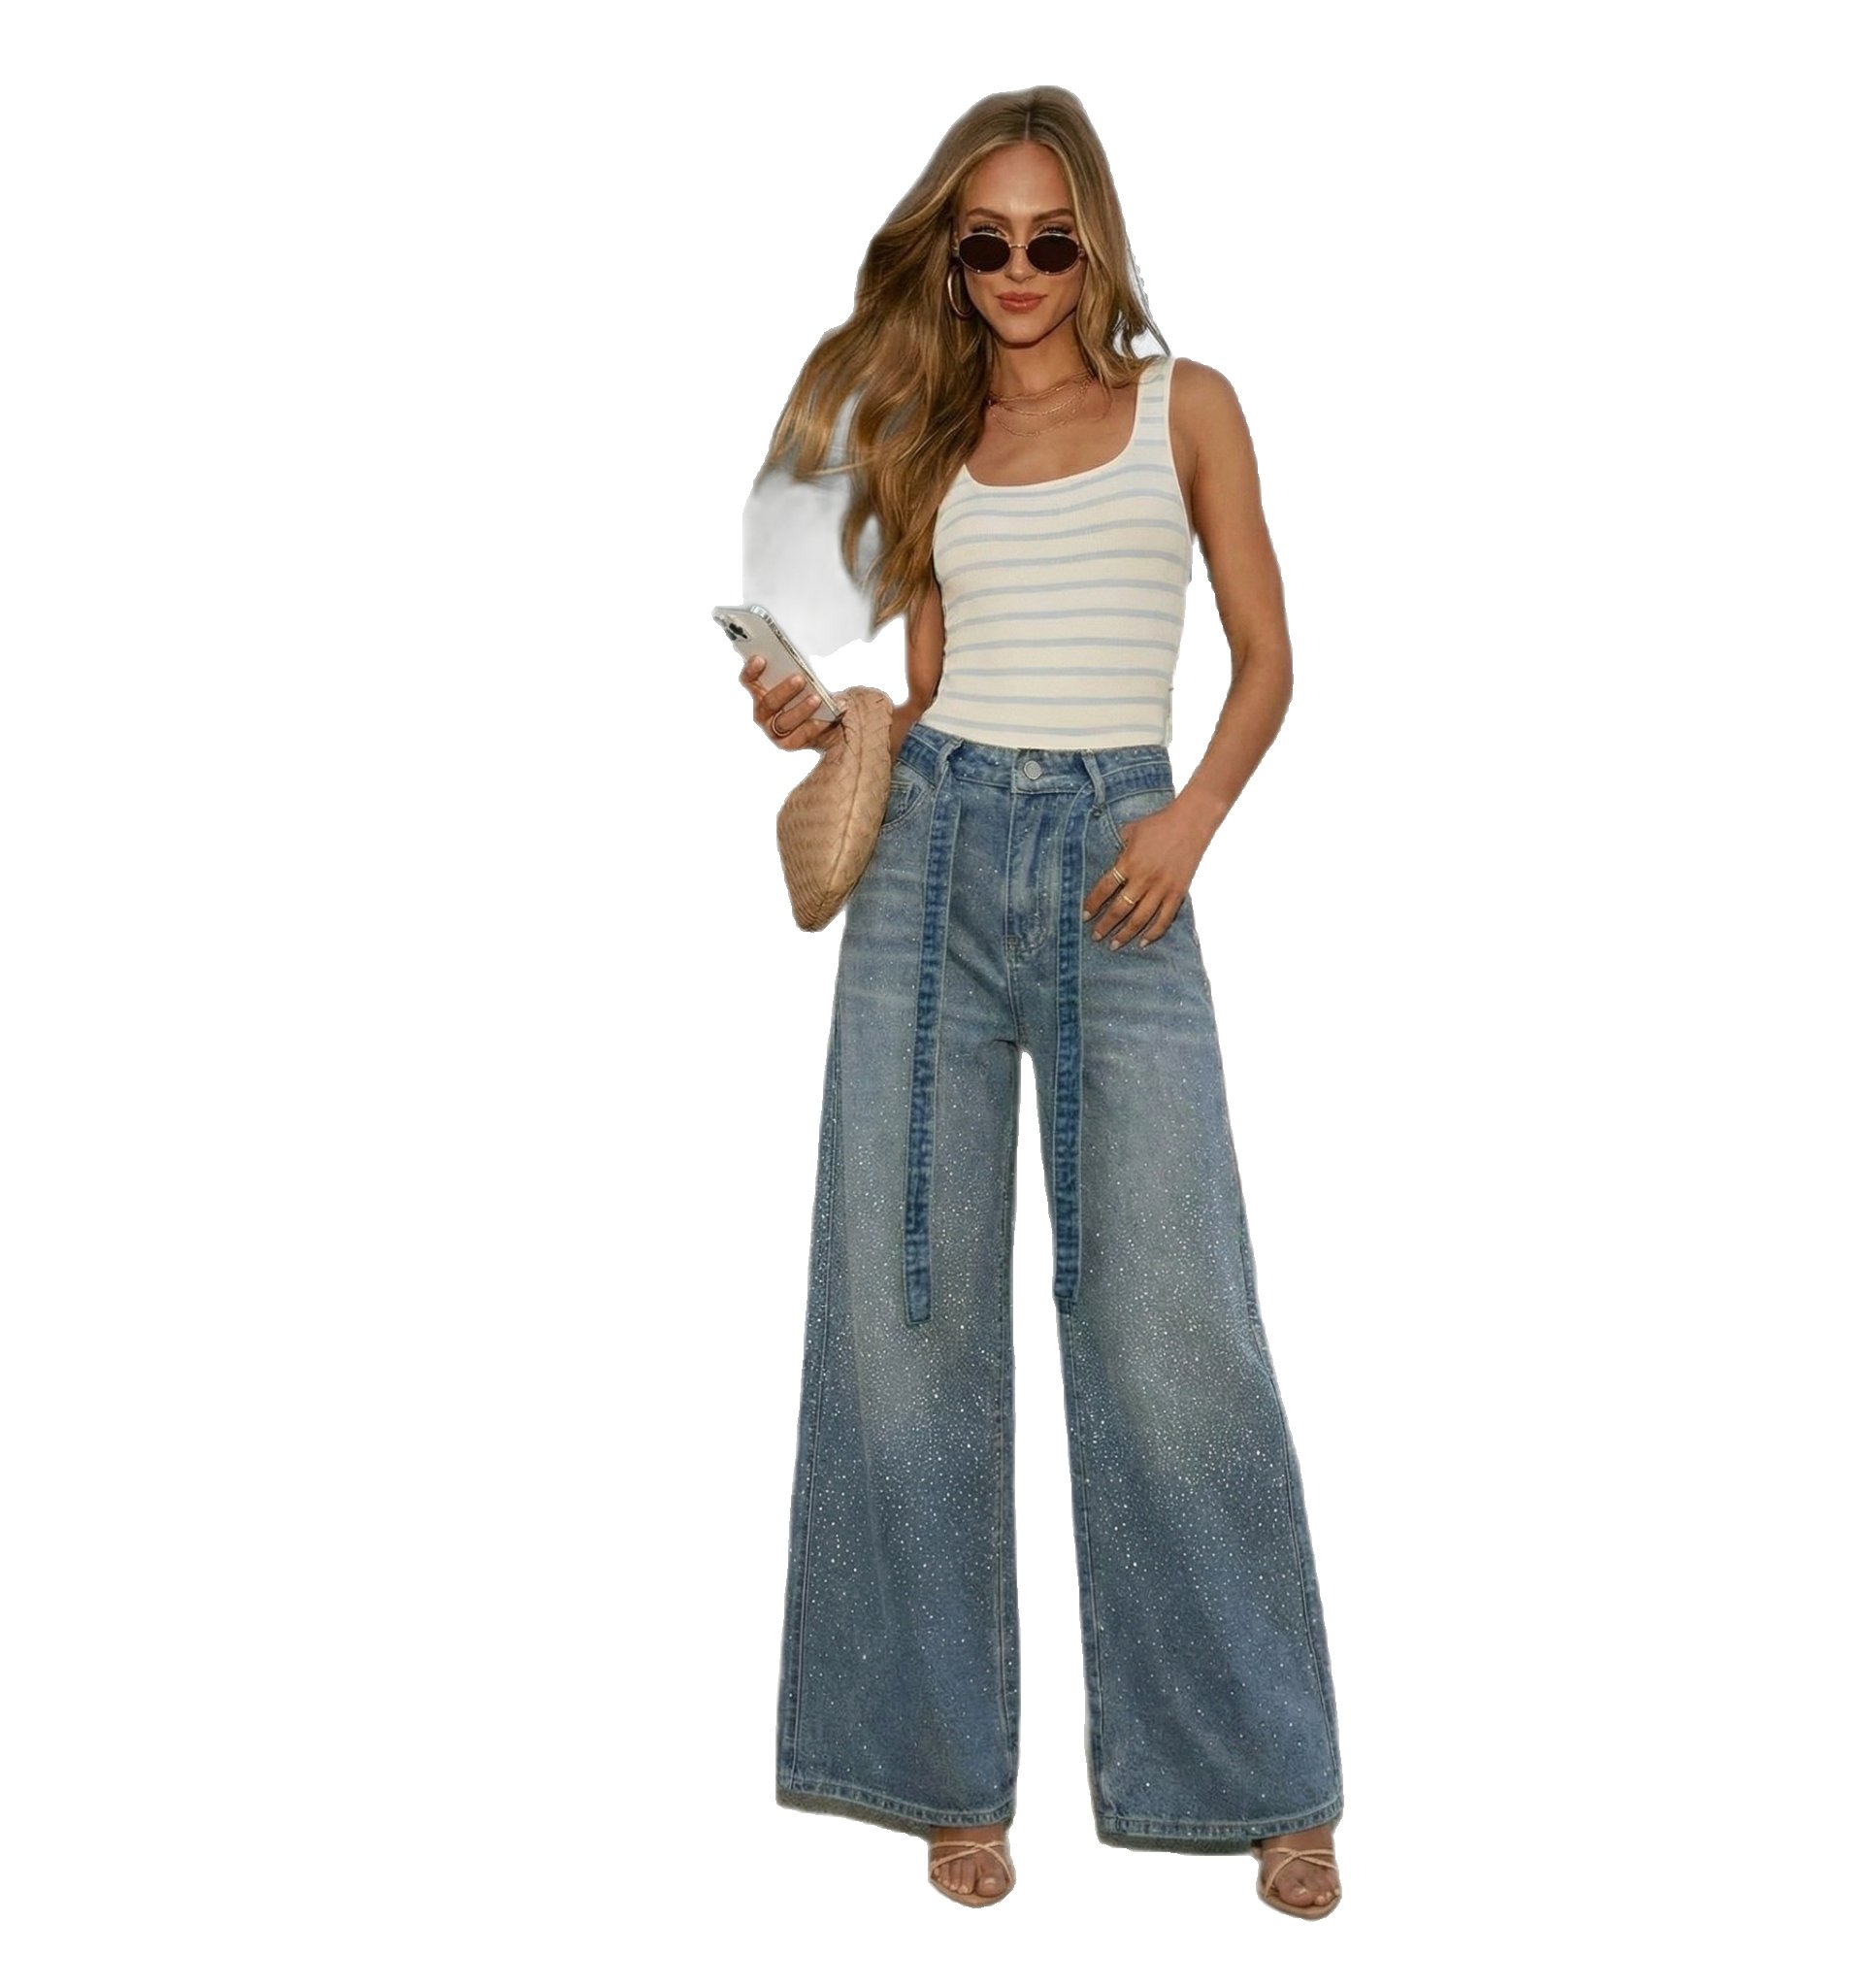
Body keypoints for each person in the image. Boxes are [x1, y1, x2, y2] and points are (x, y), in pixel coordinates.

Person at [737, 86, 1344, 1919]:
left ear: (1097, 243)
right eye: (985, 240)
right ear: (955, 250)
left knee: (1174, 1324)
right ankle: (936, 1770)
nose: (1017, 270)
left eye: (1049, 239)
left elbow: (1269, 656)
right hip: (930, 858)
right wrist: (820, 714)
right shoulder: (933, 437)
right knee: (905, 1306)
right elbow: (928, 687)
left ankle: (1261, 1778)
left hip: (1119, 855)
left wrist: (1194, 817)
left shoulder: (1186, 407)